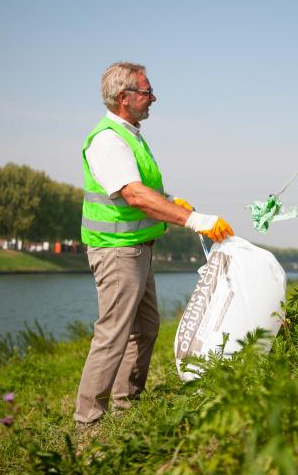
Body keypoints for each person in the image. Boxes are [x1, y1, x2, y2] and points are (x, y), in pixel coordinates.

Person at [74, 62, 233, 427]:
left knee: (145, 329)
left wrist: (173, 203)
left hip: (138, 247)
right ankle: (88, 423)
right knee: (113, 334)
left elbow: (146, 190)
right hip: (116, 251)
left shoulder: (131, 134)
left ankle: (127, 405)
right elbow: (134, 195)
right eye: (146, 92)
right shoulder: (108, 140)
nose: (153, 98)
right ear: (123, 97)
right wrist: (195, 220)